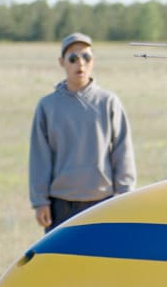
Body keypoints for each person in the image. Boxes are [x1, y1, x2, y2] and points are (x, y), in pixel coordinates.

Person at [29, 32, 137, 232]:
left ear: (93, 61)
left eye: (86, 57)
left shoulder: (108, 102)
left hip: (102, 201)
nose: (80, 63)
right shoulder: (48, 106)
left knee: (102, 261)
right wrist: (40, 202)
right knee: (61, 262)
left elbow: (122, 151)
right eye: (73, 58)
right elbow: (39, 158)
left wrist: (126, 196)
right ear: (62, 62)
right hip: (60, 204)